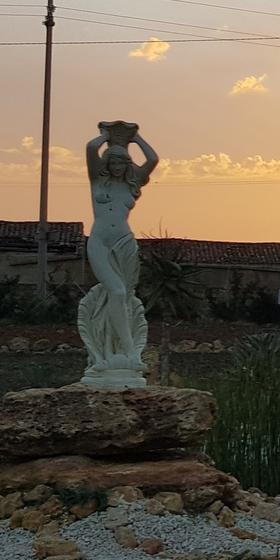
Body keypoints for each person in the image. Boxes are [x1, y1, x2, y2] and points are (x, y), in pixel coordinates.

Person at [82, 121, 159, 375]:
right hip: (100, 241)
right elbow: (91, 148)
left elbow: (153, 159)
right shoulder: (98, 180)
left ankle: (115, 348)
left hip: (124, 241)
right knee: (115, 291)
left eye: (120, 163)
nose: (116, 167)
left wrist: (135, 139)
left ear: (126, 165)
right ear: (107, 164)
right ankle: (129, 351)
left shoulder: (131, 183)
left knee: (125, 296)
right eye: (112, 163)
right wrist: (107, 136)